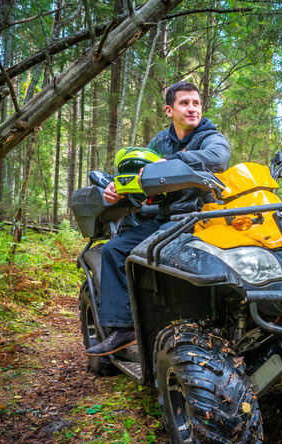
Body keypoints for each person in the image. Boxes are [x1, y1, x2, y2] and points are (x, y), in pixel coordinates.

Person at [86, 81, 230, 356]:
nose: (192, 109)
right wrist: (116, 190)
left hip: (201, 218)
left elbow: (219, 158)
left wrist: (172, 161)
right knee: (114, 249)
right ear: (169, 110)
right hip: (165, 218)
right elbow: (139, 176)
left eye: (196, 103)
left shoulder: (210, 136)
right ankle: (124, 328)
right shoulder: (159, 142)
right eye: (184, 103)